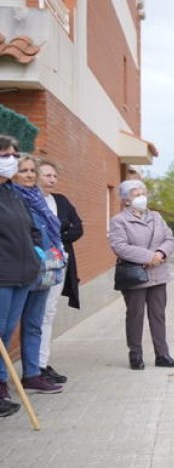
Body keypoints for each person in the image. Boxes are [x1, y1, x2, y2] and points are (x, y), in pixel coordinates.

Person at [108, 179, 174, 370]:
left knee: (158, 315)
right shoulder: (119, 220)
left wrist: (161, 254)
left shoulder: (156, 216)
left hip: (159, 273)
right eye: (136, 194)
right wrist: (149, 257)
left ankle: (162, 354)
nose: (141, 197)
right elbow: (120, 246)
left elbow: (169, 238)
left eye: (143, 193)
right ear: (125, 200)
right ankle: (136, 354)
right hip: (136, 275)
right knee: (135, 315)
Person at [9, 156, 64, 394]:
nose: (30, 175)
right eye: (24, 171)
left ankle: (32, 374)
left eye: (33, 170)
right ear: (13, 173)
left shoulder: (38, 199)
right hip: (19, 270)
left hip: (43, 271)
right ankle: (3, 382)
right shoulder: (12, 198)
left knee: (34, 324)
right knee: (8, 328)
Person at [36, 158, 83, 385]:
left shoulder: (60, 201)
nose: (52, 180)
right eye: (47, 175)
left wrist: (57, 239)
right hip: (37, 266)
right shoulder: (31, 201)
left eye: (54, 176)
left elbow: (78, 227)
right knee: (37, 313)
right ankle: (34, 366)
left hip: (59, 265)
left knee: (49, 312)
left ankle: (43, 363)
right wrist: (53, 239)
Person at [0, 137, 38, 417]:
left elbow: (31, 228)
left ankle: (1, 385)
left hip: (23, 275)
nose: (12, 159)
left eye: (14, 154)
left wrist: (36, 252)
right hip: (3, 275)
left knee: (6, 334)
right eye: (5, 155)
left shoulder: (12, 193)